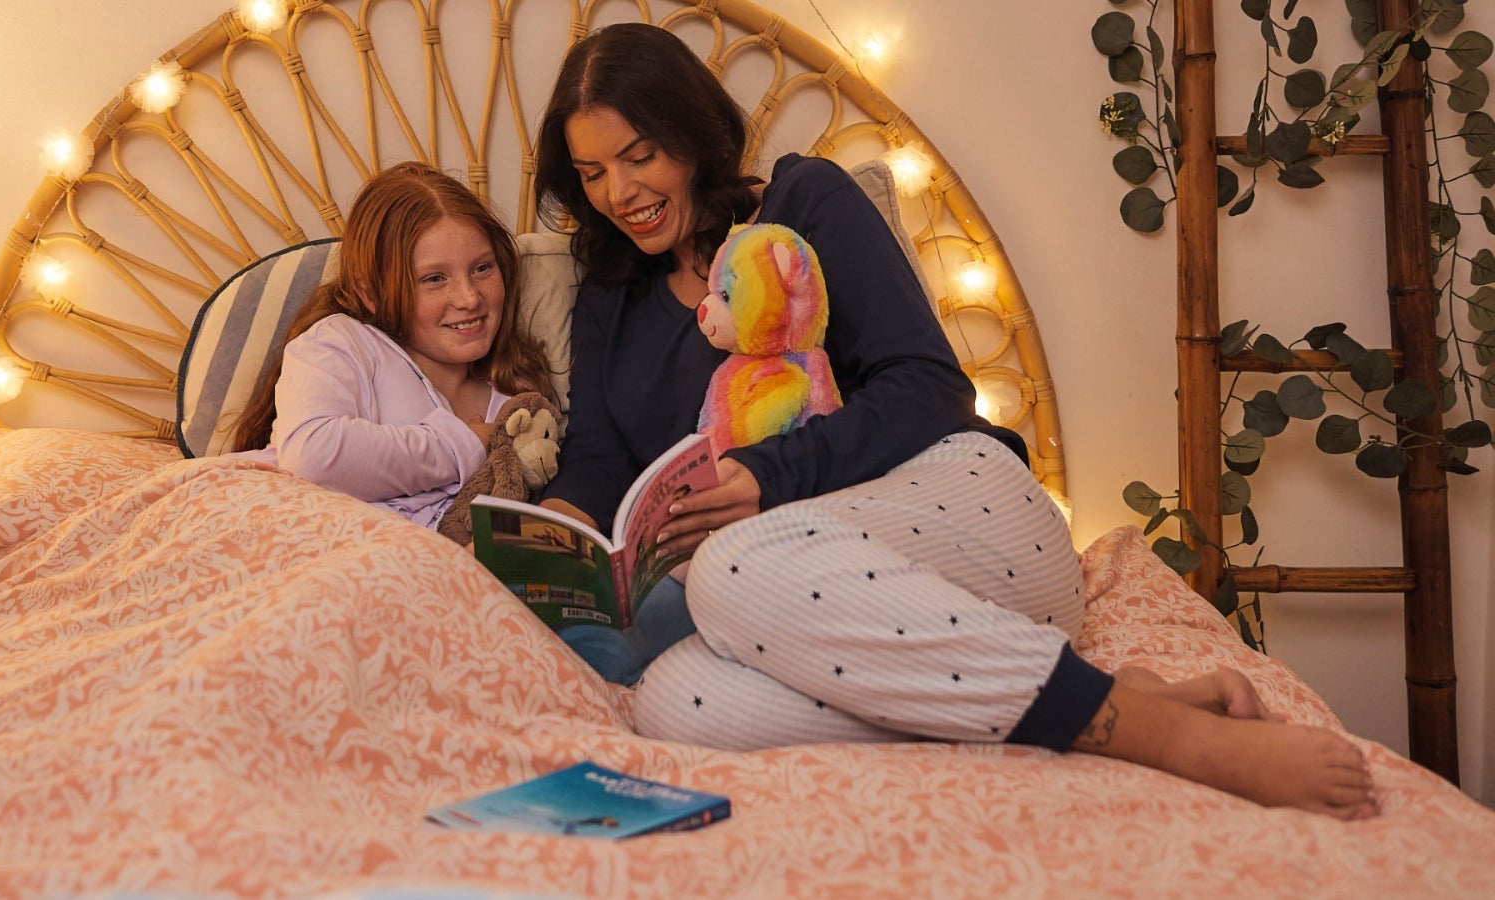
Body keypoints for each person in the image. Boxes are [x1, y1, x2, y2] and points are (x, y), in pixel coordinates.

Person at [529, 22, 1375, 819]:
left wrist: (767, 476)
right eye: (593, 173)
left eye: (639, 156)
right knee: (677, 703)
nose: (620, 194)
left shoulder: (803, 200)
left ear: (692, 134)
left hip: (965, 517)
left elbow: (929, 388)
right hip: (855, 617)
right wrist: (550, 532)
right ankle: (1104, 697)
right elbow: (598, 455)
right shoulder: (609, 287)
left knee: (728, 570)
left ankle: (1173, 739)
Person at [228, 161, 555, 529]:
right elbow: (313, 455)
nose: (469, 298)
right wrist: (464, 443)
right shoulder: (343, 344)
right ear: (371, 294)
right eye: (434, 279)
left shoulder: (517, 400)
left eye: (482, 268)